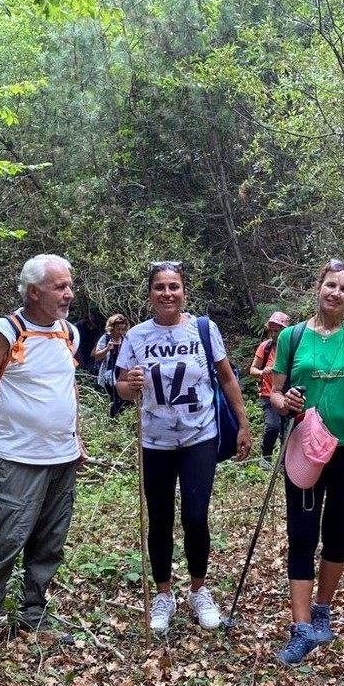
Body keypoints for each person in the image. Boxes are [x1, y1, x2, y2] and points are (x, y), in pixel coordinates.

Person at [0, 254, 86, 665]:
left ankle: (34, 615)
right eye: (60, 287)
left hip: (62, 457)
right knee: (8, 539)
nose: (69, 294)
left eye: (69, 285)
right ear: (34, 292)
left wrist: (76, 436)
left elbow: (67, 387)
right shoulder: (6, 331)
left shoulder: (69, 333)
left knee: (50, 541)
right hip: (16, 457)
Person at [116, 262, 253, 633]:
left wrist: (243, 423)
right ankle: (163, 594)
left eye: (174, 287)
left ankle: (198, 589)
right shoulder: (136, 337)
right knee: (159, 518)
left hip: (199, 437)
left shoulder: (204, 330)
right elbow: (121, 389)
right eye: (159, 287)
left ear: (184, 292)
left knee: (195, 515)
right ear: (150, 294)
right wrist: (130, 383)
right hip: (154, 439)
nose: (167, 294)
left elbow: (226, 377)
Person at [269, 260, 344, 665]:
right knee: (302, 534)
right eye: (330, 285)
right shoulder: (292, 336)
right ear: (318, 287)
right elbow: (275, 393)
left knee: (336, 533)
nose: (336, 293)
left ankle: (322, 609)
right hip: (304, 446)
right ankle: (300, 627)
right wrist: (285, 403)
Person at [249, 311, 293, 463]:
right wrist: (262, 372)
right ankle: (266, 457)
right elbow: (253, 370)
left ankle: (283, 463)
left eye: (277, 331)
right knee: (272, 427)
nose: (274, 334)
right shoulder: (265, 347)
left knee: (286, 431)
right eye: (271, 331)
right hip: (268, 394)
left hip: (288, 395)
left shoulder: (292, 347)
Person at [92, 314, 130, 417]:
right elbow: (96, 355)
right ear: (112, 328)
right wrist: (107, 348)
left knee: (124, 398)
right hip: (108, 372)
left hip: (122, 372)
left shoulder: (125, 339)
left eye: (123, 329)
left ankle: (118, 419)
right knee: (114, 397)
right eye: (118, 329)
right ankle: (112, 419)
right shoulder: (105, 338)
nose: (120, 332)